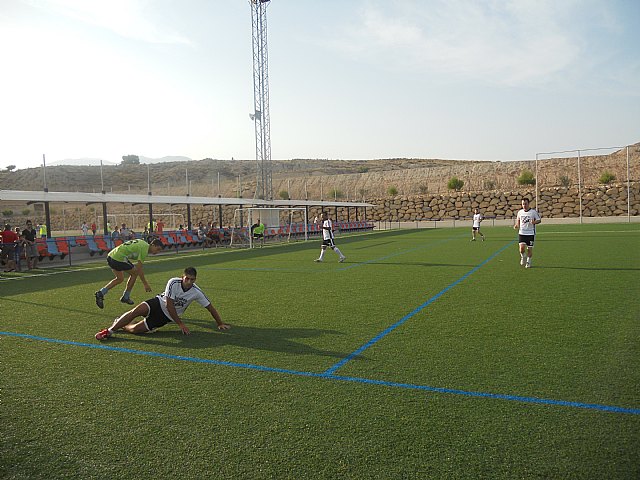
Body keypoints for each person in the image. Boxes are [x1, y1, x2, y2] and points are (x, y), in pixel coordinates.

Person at [95, 266, 230, 340]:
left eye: (192, 279)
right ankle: (110, 331)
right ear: (182, 277)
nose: (189, 282)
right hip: (158, 302)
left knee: (135, 330)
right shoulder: (173, 282)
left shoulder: (196, 292)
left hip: (166, 316)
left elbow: (210, 308)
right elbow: (169, 304)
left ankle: (122, 325)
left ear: (195, 280)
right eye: (187, 278)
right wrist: (180, 324)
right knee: (136, 311)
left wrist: (220, 323)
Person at [94, 238, 164, 309]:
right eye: (157, 249)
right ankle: (126, 297)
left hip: (111, 256)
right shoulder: (145, 249)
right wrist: (145, 284)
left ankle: (101, 293)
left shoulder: (142, 243)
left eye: (160, 250)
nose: (157, 252)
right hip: (119, 258)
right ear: (153, 245)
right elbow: (139, 269)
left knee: (120, 279)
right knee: (135, 273)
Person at [514, 197, 541, 268]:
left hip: (530, 233)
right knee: (521, 249)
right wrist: (516, 225)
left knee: (529, 249)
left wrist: (534, 222)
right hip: (522, 233)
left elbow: (539, 220)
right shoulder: (520, 212)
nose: (524, 205)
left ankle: (528, 262)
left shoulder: (533, 212)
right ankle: (523, 257)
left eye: (525, 204)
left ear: (528, 204)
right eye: (523, 204)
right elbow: (518, 220)